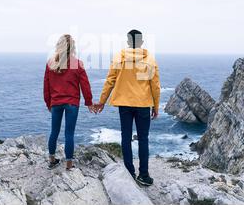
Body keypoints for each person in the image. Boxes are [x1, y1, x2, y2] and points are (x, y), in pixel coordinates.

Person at [95, 30, 161, 186]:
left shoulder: (119, 57)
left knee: (126, 137)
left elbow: (110, 81)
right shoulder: (150, 59)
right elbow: (155, 86)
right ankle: (143, 175)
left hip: (124, 104)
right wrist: (156, 106)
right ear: (141, 42)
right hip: (143, 104)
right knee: (143, 139)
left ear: (128, 41)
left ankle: (129, 173)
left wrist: (102, 101)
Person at [44, 34, 95, 170]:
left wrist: (48, 102)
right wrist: (89, 102)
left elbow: (46, 86)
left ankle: (52, 160)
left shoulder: (50, 63)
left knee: (54, 132)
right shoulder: (77, 64)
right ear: (73, 47)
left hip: (55, 102)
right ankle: (69, 164)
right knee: (69, 134)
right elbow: (85, 85)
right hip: (72, 103)